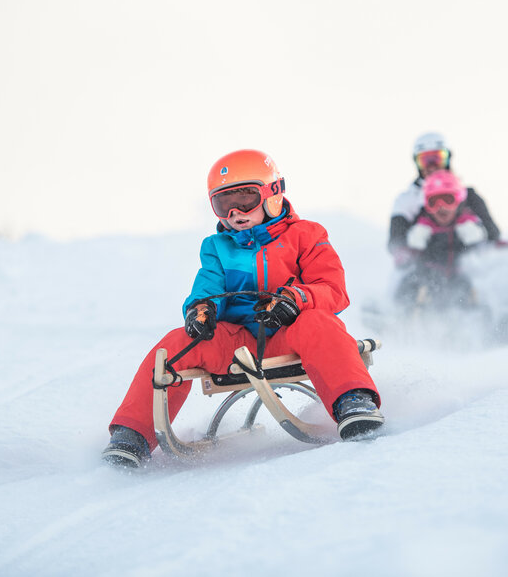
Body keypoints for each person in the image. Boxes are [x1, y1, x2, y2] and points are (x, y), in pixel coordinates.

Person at [102, 149, 384, 469]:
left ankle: (353, 401)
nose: (235, 212)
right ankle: (131, 434)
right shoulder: (216, 247)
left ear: (271, 194)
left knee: (320, 323)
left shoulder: (307, 235)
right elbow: (206, 289)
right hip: (237, 346)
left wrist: (294, 300)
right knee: (176, 343)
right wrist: (201, 310)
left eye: (246, 199)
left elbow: (333, 290)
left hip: (290, 336)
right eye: (224, 204)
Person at [388, 132, 501, 268]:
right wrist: (410, 246)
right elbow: (395, 241)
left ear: (448, 159)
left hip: (464, 268)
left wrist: (477, 232)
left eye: (438, 159)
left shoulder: (468, 196)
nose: (432, 166)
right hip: (425, 269)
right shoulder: (407, 201)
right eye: (425, 161)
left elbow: (493, 233)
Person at [393, 170, 488, 308]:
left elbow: (483, 253)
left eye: (448, 200)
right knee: (409, 282)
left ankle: (487, 323)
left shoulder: (467, 225)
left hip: (459, 279)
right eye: (433, 202)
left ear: (459, 200)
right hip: (429, 278)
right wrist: (411, 249)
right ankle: (396, 317)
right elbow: (410, 256)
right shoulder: (423, 228)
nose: (441, 207)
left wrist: (475, 237)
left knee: (477, 289)